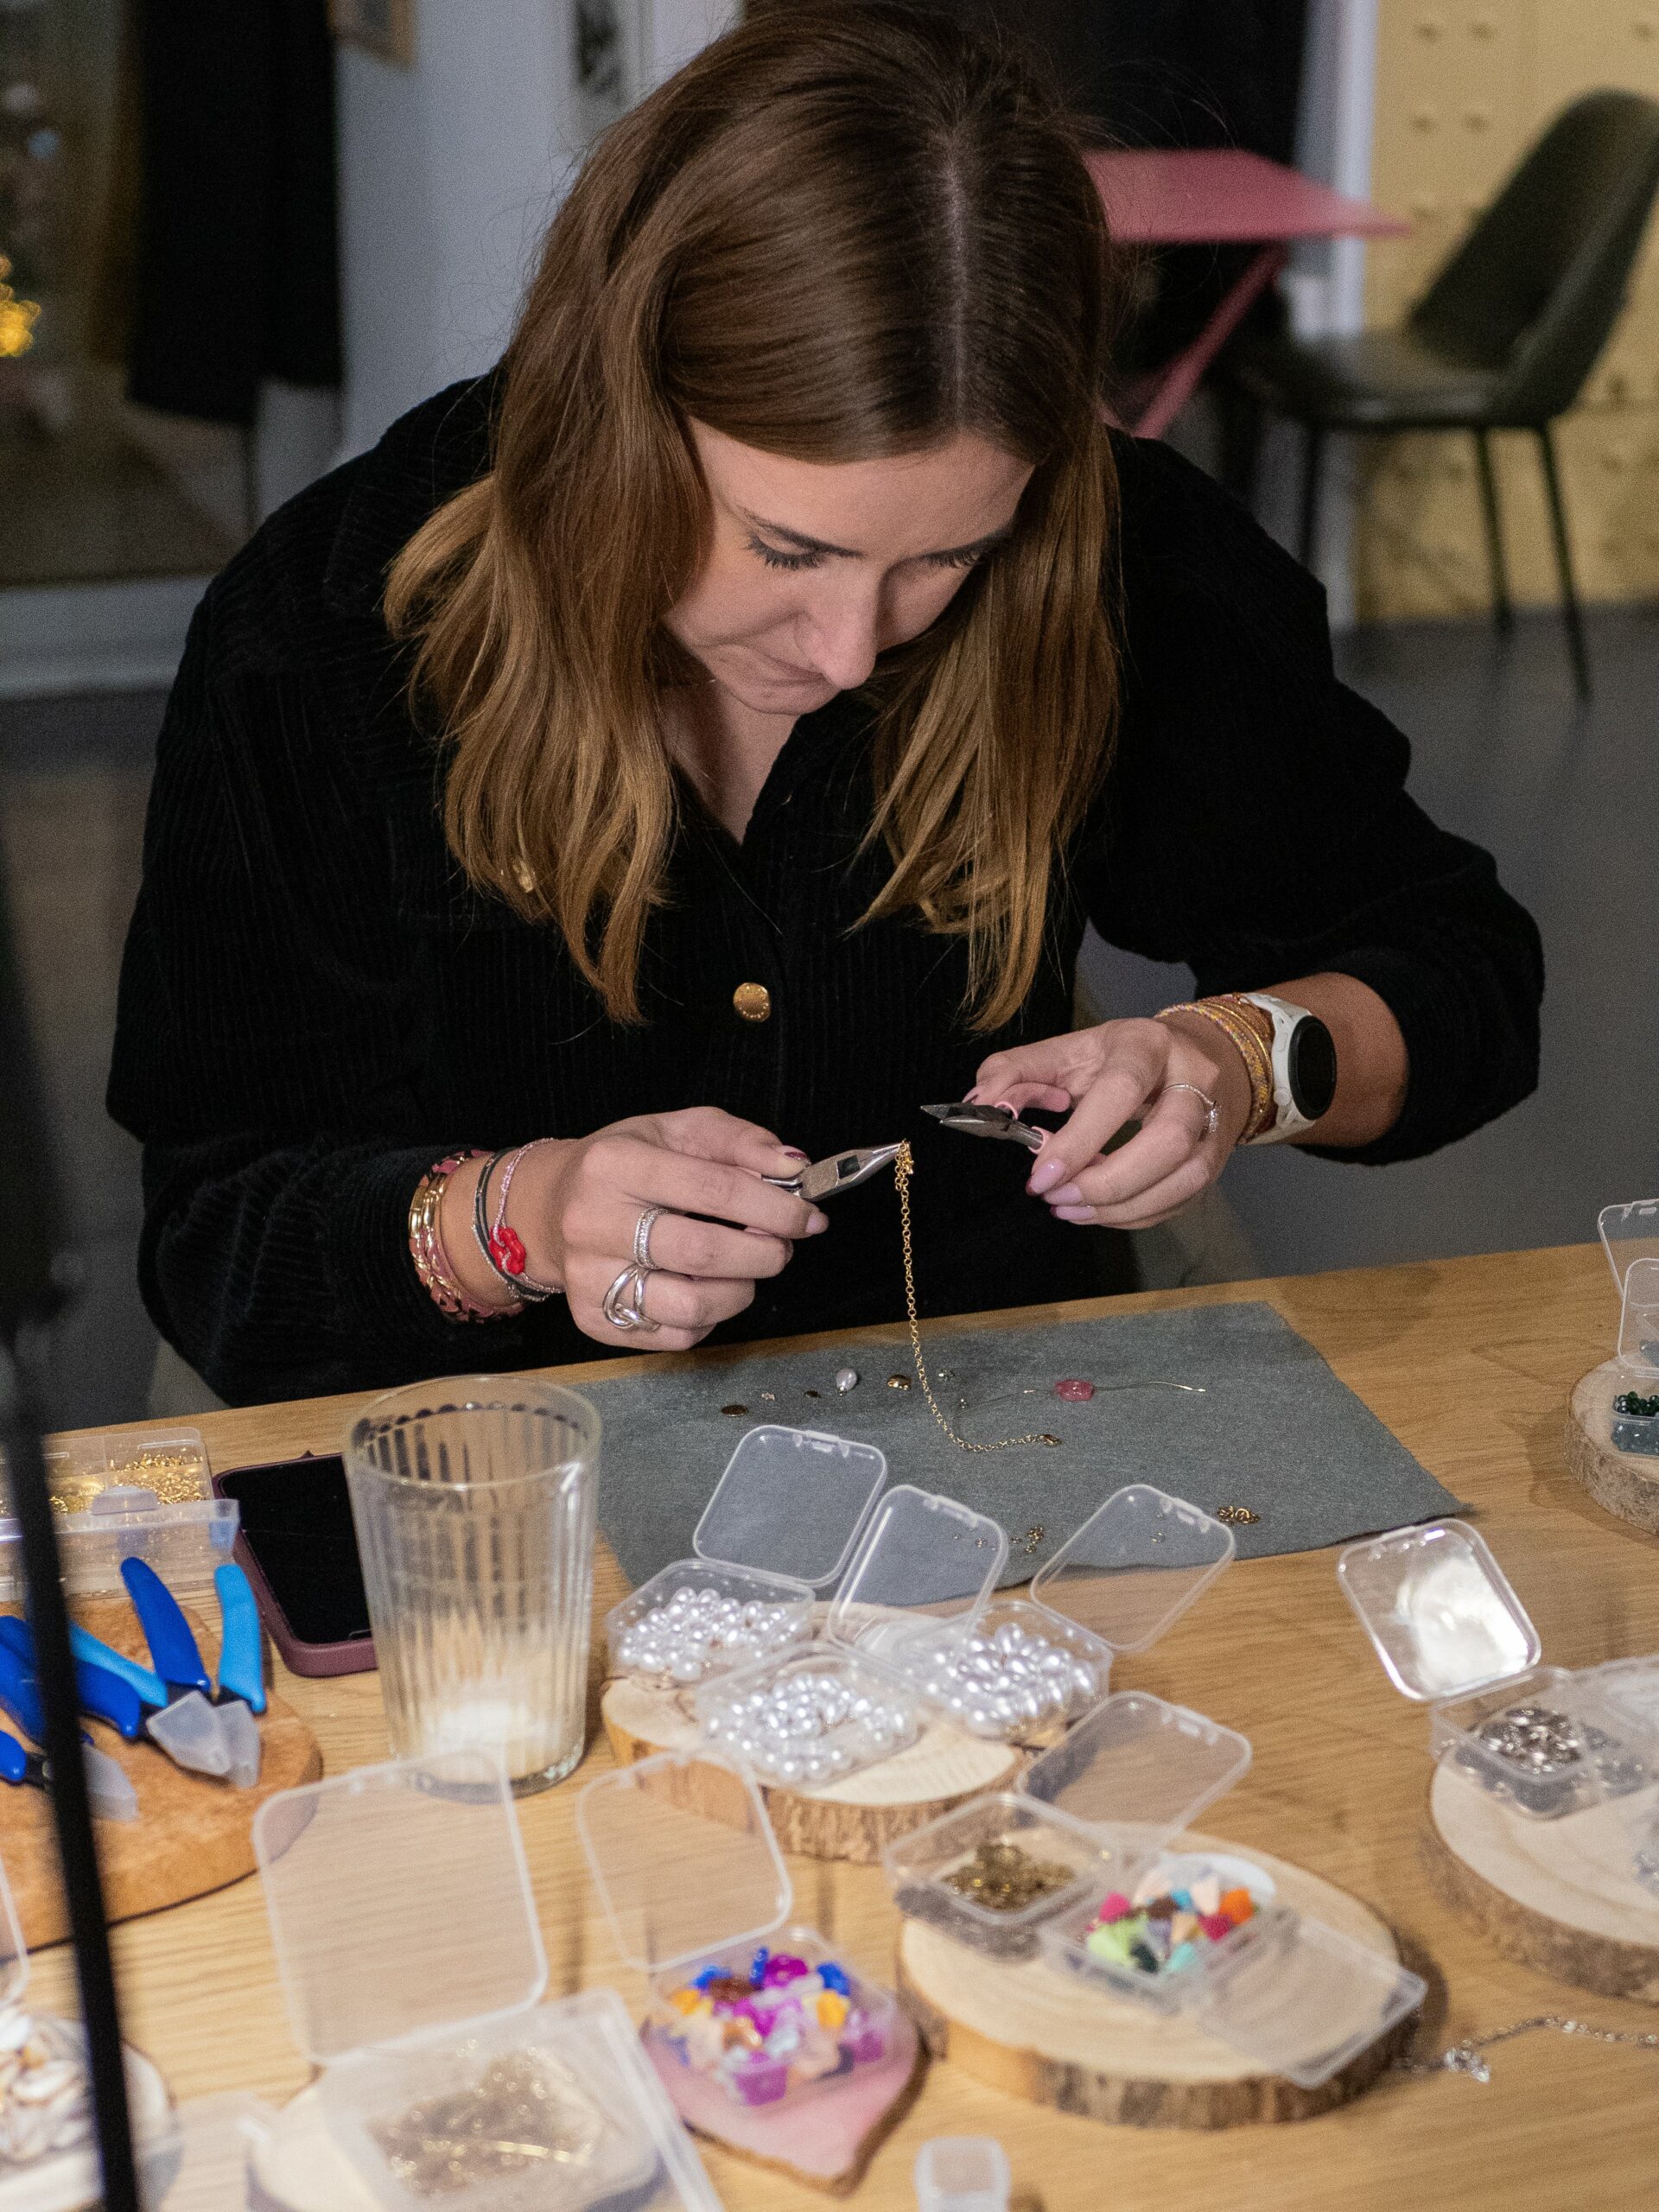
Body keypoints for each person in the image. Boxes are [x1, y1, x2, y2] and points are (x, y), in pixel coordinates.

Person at [110, 3, 1541, 1408]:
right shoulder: (324, 637)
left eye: (949, 558)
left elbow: (1460, 973)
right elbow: (218, 1242)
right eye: (787, 550)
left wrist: (1239, 1066)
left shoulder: (1125, 564)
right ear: (613, 413)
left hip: (983, 1403)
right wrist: (523, 1218)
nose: (856, 649)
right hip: (502, 1462)